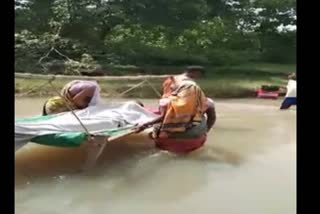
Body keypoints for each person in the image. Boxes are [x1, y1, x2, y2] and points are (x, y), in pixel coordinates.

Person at [135, 66, 216, 154]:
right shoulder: (205, 102)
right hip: (195, 137)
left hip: (167, 138)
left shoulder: (166, 102)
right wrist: (205, 131)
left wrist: (144, 126)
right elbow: (212, 118)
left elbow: (163, 117)